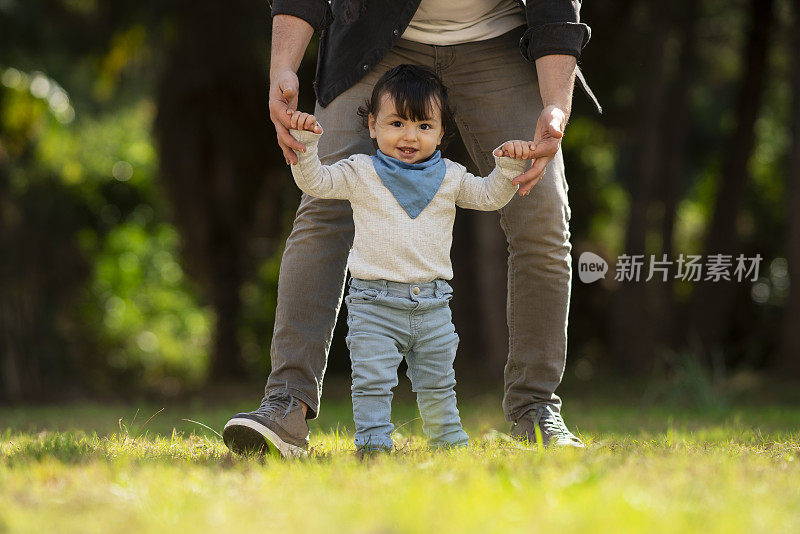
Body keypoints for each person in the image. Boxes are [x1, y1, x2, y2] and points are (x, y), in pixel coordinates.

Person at [223, 0, 599, 457]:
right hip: (375, 33)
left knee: (541, 221)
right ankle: (285, 406)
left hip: (500, 43)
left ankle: (536, 409)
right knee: (323, 208)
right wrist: (283, 67)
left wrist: (556, 106)